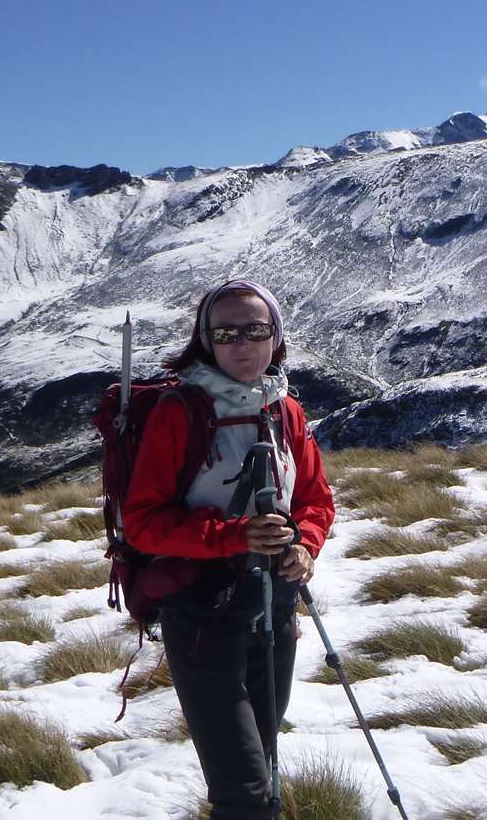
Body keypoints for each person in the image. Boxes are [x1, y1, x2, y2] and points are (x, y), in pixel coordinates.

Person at [121, 278, 336, 820]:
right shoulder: (180, 411)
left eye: (256, 330)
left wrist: (305, 546)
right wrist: (235, 536)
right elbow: (142, 522)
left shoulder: (286, 409)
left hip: (275, 607)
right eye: (227, 332)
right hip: (202, 616)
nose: (242, 344)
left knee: (261, 763)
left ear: (276, 337)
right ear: (207, 340)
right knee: (244, 791)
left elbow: (314, 498)